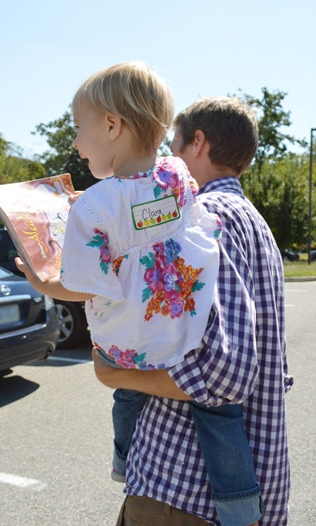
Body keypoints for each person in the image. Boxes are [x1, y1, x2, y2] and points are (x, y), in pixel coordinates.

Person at [15, 64, 261, 526]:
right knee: (219, 415)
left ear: (112, 124)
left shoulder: (93, 204)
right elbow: (152, 215)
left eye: (77, 128)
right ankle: (240, 506)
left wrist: (44, 284)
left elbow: (84, 282)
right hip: (187, 322)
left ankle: (124, 461)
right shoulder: (175, 174)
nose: (74, 142)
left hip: (131, 340)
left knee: (126, 395)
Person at [93, 96, 293, 526]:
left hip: (179, 491)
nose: (169, 158)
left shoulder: (204, 216)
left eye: (177, 145)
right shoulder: (256, 223)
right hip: (225, 492)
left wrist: (120, 374)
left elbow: (228, 374)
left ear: (198, 143)